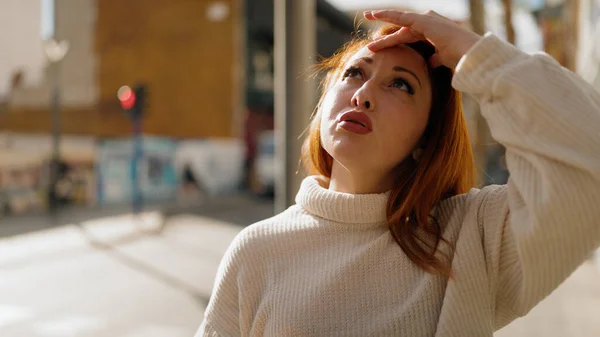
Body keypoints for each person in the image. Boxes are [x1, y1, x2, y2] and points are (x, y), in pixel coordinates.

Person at [197, 9, 600, 337]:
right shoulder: (256, 252)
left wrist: (475, 54)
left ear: (427, 137)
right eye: (355, 72)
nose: (364, 94)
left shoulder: (469, 238)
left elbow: (589, 155)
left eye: (401, 85)